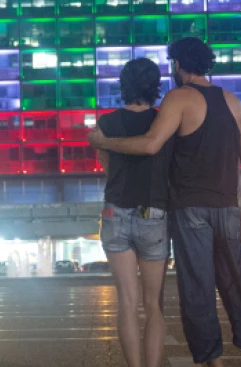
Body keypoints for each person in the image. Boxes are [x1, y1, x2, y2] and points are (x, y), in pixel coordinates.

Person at [89, 37, 241, 367]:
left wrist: (106, 142)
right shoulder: (233, 101)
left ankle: (214, 363)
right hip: (223, 207)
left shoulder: (176, 100)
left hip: (182, 209)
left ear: (180, 66)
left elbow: (150, 145)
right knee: (234, 287)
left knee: (191, 293)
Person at [96, 58, 174, 367]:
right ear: (154, 86)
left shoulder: (107, 123)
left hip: (115, 211)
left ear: (123, 85)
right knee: (152, 305)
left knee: (126, 304)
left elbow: (106, 164)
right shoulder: (164, 122)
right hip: (153, 212)